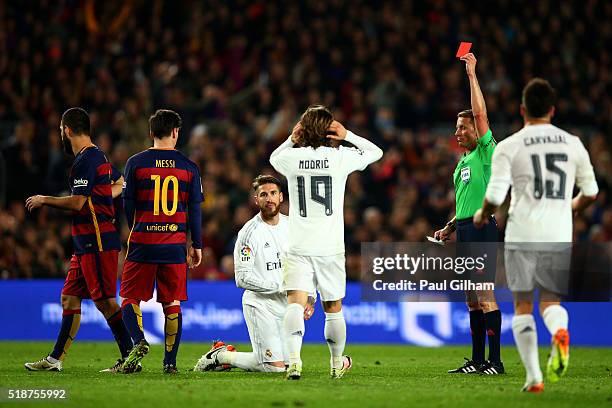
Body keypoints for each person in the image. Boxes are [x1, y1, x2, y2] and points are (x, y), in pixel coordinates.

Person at [473, 78, 599, 392]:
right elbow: (592, 192)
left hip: (523, 232)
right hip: (558, 233)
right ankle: (559, 331)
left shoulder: (510, 145)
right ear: (553, 110)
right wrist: (570, 206)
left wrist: (480, 214)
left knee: (523, 306)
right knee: (552, 302)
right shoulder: (572, 143)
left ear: (522, 110)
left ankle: (534, 378)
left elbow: (496, 195)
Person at [269, 105, 383, 380]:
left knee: (295, 304)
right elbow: (376, 153)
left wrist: (291, 139)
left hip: (298, 245)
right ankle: (335, 363)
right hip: (330, 246)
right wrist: (348, 135)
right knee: (333, 308)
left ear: (303, 129)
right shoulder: (339, 156)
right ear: (329, 129)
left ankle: (294, 361)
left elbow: (274, 158)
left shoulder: (293, 158)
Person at [24, 107, 133, 372]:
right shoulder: (98, 157)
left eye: (61, 130)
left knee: (105, 301)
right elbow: (121, 182)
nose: (61, 134)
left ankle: (130, 355)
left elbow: (77, 202)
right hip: (85, 241)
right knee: (69, 298)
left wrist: (44, 199)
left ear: (68, 130)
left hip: (96, 240)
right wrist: (104, 198)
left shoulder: (87, 160)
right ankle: (55, 360)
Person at [194, 175, 315, 373]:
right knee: (274, 369)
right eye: (264, 194)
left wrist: (310, 296)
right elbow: (242, 278)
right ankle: (220, 356)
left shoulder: (293, 227)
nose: (269, 199)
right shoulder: (249, 233)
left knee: (285, 364)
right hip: (261, 305)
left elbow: (306, 264)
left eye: (273, 193)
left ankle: (222, 354)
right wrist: (281, 288)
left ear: (281, 197)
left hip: (287, 306)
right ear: (256, 200)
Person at [433, 53, 503, 375]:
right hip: (464, 228)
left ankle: (496, 362)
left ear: (477, 128)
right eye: (456, 128)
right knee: (472, 299)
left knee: (486, 294)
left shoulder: (487, 152)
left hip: (482, 228)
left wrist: (471, 74)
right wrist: (449, 228)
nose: (457, 132)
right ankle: (477, 361)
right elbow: (464, 203)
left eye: (462, 127)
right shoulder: (463, 162)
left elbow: (479, 111)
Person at [119, 109, 204, 374]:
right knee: (172, 303)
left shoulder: (135, 163)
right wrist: (196, 244)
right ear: (176, 132)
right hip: (175, 244)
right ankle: (170, 363)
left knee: (129, 298)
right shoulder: (189, 167)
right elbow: (195, 211)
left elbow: (127, 204)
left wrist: (139, 226)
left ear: (151, 133)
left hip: (143, 242)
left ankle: (140, 341)